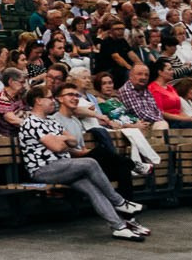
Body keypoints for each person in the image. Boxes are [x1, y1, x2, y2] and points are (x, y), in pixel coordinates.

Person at [16, 89, 146, 240]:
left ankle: (119, 227)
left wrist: (60, 140)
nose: (53, 101)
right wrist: (62, 141)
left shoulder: (51, 121)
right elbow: (58, 147)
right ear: (38, 100)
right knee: (90, 162)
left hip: (64, 167)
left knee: (92, 189)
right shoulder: (31, 122)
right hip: (43, 170)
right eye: (50, 98)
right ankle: (119, 202)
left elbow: (73, 141)